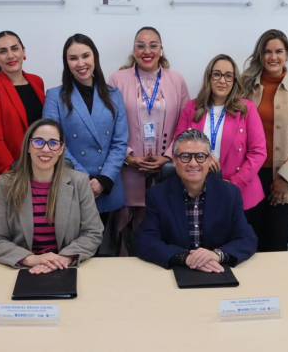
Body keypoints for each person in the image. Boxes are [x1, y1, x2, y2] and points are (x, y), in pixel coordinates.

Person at [0, 118, 104, 271]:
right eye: (38, 142)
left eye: (53, 143)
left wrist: (63, 259)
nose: (46, 149)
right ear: (28, 146)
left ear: (61, 149)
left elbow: (93, 232)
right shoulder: (6, 184)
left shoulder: (79, 182)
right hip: (23, 268)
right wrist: (32, 259)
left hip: (66, 267)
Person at [108, 26, 189, 255]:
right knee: (128, 237)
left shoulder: (177, 80)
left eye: (153, 45)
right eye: (141, 45)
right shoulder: (117, 79)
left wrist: (168, 157)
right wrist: (129, 157)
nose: (147, 51)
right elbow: (108, 123)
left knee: (163, 232)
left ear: (161, 49)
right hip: (128, 170)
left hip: (168, 170)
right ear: (133, 50)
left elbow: (185, 124)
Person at [240, 29, 288, 252]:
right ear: (260, 55)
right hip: (249, 177)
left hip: (286, 181)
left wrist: (287, 177)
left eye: (279, 51)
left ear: (287, 54)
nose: (273, 57)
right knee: (247, 241)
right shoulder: (244, 87)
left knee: (276, 243)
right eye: (267, 51)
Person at [136, 129, 258, 271]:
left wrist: (216, 255)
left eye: (200, 156)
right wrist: (184, 257)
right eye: (185, 156)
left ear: (209, 160)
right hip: (175, 270)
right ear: (174, 161)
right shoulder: (157, 195)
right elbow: (145, 241)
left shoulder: (230, 193)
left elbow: (247, 239)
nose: (193, 163)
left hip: (218, 269)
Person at [43, 34, 128, 230]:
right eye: (73, 58)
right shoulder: (55, 96)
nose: (80, 63)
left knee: (102, 244)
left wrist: (103, 180)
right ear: (66, 63)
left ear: (94, 57)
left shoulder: (114, 94)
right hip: (71, 183)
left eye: (85, 56)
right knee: (72, 244)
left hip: (106, 185)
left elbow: (120, 142)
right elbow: (53, 142)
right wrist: (84, 180)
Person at [172, 54, 266, 214]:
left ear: (234, 80)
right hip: (197, 190)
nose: (222, 80)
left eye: (228, 76)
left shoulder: (247, 108)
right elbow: (178, 145)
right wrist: (203, 156)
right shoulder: (191, 107)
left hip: (240, 192)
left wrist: (233, 183)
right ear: (209, 77)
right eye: (217, 74)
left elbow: (259, 152)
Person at [0, 31, 45, 196]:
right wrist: (15, 175)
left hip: (41, 173)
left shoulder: (37, 81)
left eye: (15, 48)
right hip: (11, 179)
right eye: (3, 51)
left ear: (23, 51)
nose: (10, 55)